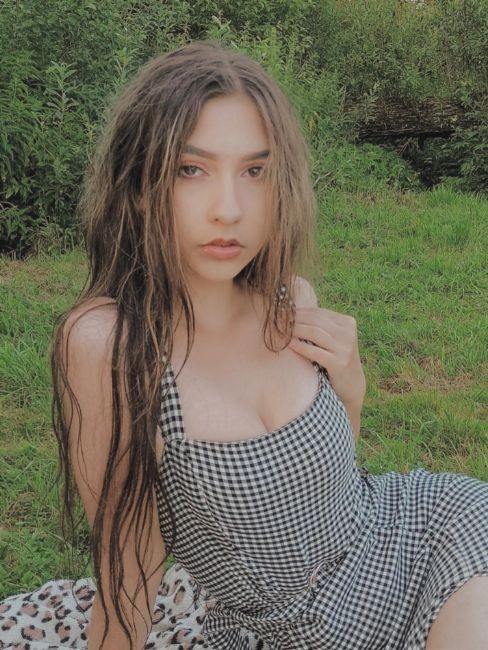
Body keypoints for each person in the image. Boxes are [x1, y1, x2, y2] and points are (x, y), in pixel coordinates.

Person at [1, 39, 487, 650]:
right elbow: (127, 561)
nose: (228, 210)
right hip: (290, 633)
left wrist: (352, 388)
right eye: (191, 169)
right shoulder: (112, 344)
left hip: (429, 537)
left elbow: (337, 490)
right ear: (139, 182)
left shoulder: (290, 300)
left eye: (255, 172)